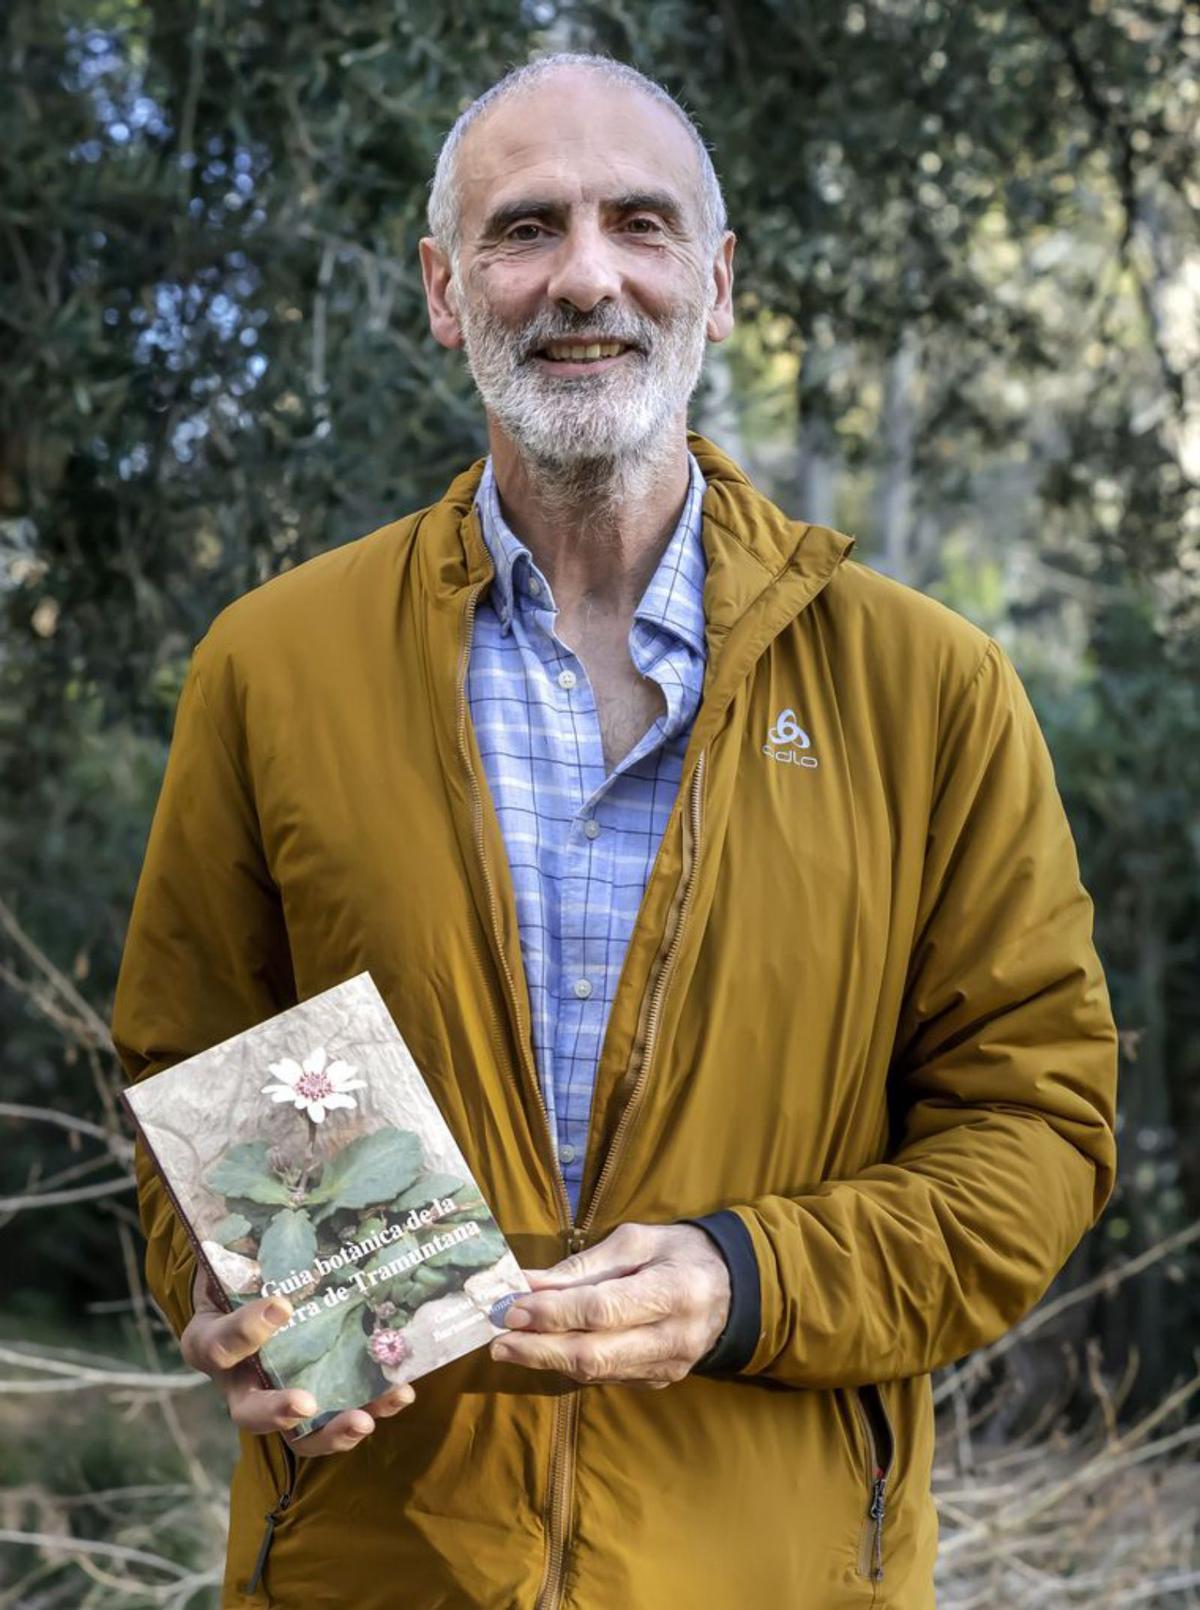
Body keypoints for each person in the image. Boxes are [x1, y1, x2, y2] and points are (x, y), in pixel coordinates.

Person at [111, 51, 1118, 1610]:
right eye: (526, 230)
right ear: (448, 292)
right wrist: (243, 1298)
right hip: (378, 1573)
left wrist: (747, 1276)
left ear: (714, 286)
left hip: (773, 1574)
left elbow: (1038, 1129)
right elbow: (191, 1066)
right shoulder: (274, 664)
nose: (587, 275)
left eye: (639, 224)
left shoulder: (932, 690)